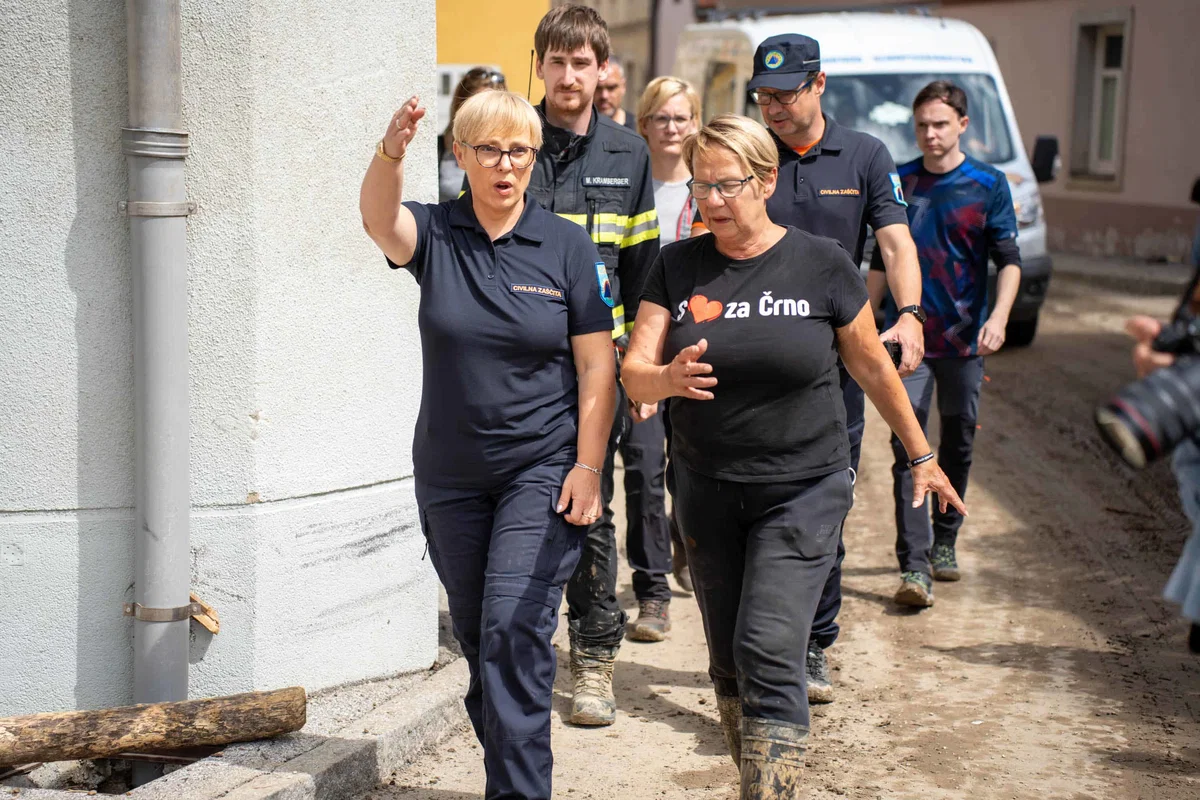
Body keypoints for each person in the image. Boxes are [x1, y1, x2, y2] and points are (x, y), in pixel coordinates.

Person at [621, 114, 966, 797]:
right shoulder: (677, 263)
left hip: (804, 485)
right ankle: (757, 765)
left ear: (768, 180)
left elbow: (871, 368)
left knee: (769, 646)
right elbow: (635, 369)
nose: (713, 201)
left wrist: (921, 454)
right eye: (702, 185)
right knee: (726, 660)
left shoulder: (821, 263)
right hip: (705, 486)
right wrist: (665, 381)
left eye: (729, 185)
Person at [359, 90, 617, 800]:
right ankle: (512, 770)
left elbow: (599, 366)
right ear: (461, 155)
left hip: (542, 468)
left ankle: (519, 792)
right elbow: (379, 220)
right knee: (483, 644)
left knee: (513, 633)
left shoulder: (566, 246)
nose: (507, 165)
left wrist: (590, 465)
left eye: (521, 151)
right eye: (490, 150)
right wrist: (389, 152)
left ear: (534, 158)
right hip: (449, 479)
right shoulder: (437, 235)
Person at [694, 33, 926, 705]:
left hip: (827, 366)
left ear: (819, 84)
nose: (772, 107)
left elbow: (894, 241)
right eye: (762, 95)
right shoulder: (748, 159)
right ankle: (747, 642)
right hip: (737, 360)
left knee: (821, 504)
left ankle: (814, 642)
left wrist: (907, 312)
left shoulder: (863, 156)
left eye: (785, 93)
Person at [528, 4, 660, 725]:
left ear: (602, 70)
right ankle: (518, 644)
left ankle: (593, 658)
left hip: (596, 368)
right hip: (518, 367)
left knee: (591, 507)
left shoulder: (628, 153)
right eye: (558, 60)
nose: (570, 74)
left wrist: (640, 367)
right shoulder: (510, 139)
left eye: (584, 62)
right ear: (541, 64)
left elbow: (643, 273)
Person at [868, 80, 1022, 608]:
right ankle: (914, 567)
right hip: (907, 345)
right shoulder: (900, 182)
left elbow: (1010, 261)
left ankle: (945, 543)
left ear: (962, 124)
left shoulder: (987, 183)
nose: (930, 135)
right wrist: (865, 324)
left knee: (957, 442)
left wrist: (998, 318)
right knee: (906, 447)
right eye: (922, 126)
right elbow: (879, 263)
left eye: (940, 124)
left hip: (962, 345)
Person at [638, 76, 704, 593]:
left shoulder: (706, 189)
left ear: (695, 124)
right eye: (661, 117)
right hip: (639, 340)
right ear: (644, 125)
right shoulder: (632, 183)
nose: (671, 127)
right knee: (643, 468)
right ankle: (653, 580)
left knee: (687, 465)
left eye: (681, 117)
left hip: (694, 339)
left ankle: (688, 540)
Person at [439, 67, 506, 202]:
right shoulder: (438, 148)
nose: (485, 115)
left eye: (493, 106)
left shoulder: (513, 153)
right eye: (478, 106)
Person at [595, 55, 637, 130]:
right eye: (598, 88)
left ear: (623, 86)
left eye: (611, 88)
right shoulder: (578, 131)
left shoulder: (638, 130)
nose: (604, 96)